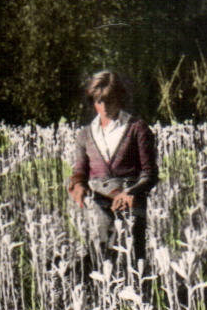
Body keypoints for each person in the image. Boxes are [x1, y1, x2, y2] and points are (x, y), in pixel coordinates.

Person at [67, 70, 157, 261]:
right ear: (93, 102)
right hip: (99, 207)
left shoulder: (137, 128)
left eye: (109, 99)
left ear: (120, 98)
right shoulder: (85, 135)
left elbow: (149, 174)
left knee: (131, 260)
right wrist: (79, 185)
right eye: (99, 101)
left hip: (130, 204)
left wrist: (130, 193)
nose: (104, 106)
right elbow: (80, 171)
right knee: (101, 260)